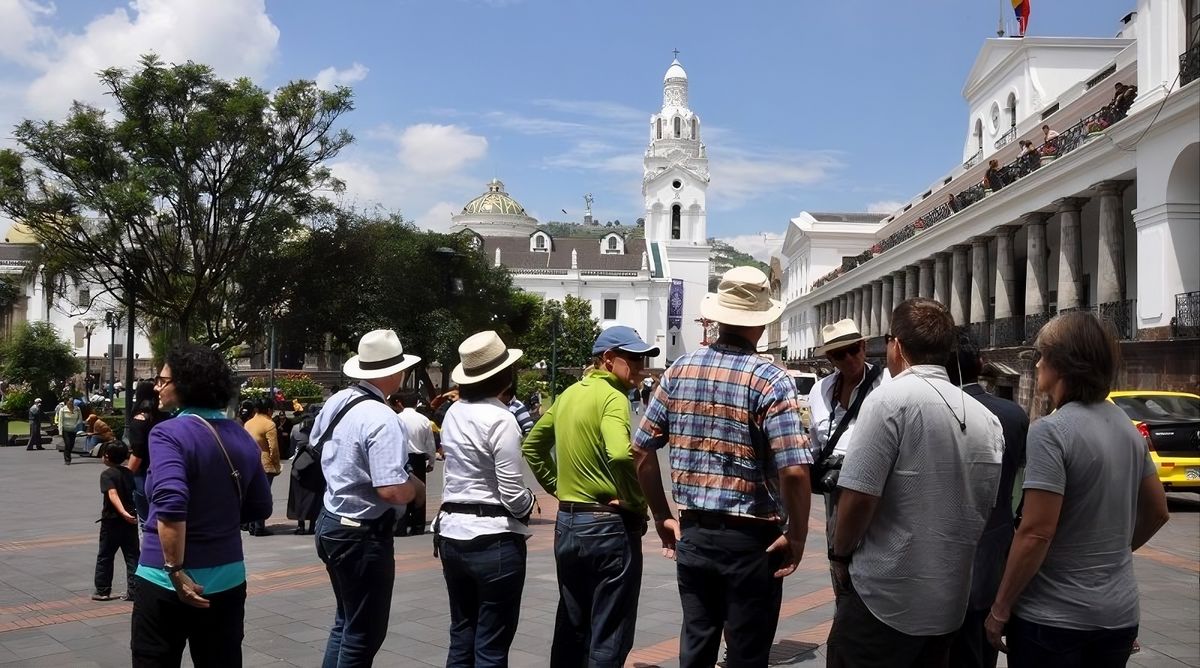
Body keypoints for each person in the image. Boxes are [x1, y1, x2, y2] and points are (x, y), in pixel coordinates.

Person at [634, 266, 812, 668]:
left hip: (695, 532)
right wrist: (798, 535)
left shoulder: (678, 370)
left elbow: (641, 450)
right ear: (761, 322)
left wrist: (661, 515)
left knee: (696, 646)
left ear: (717, 318)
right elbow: (794, 470)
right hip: (752, 540)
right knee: (747, 653)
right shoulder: (770, 379)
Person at [984, 312, 1170, 667]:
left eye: (1041, 355)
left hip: (1053, 618)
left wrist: (1000, 607)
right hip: (1118, 614)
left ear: (1063, 364)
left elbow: (1036, 532)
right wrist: (1112, 554)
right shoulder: (1126, 426)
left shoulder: (1051, 432)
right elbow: (1158, 511)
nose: (1037, 363)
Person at [825, 298, 1004, 667]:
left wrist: (839, 555)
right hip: (947, 605)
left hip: (884, 600)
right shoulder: (988, 421)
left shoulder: (888, 401)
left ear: (896, 345)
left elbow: (858, 498)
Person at [523, 325, 660, 667]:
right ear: (608, 359)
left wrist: (559, 488)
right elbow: (620, 454)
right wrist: (636, 502)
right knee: (609, 631)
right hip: (607, 527)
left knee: (572, 625)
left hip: (569, 523)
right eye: (634, 359)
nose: (641, 367)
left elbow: (533, 446)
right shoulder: (613, 397)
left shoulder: (569, 394)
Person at [131, 344, 273, 666]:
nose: (157, 387)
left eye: (162, 380)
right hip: (227, 576)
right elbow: (260, 506)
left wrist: (175, 569)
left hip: (165, 579)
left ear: (185, 383)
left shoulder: (168, 433)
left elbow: (170, 502)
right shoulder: (241, 436)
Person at [314, 329, 425, 668]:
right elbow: (391, 488)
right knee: (364, 633)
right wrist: (416, 489)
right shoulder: (382, 417)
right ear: (395, 372)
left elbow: (318, 444)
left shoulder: (339, 400)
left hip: (332, 519)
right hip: (361, 533)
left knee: (346, 621)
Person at [434, 330, 536, 667]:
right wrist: (529, 502)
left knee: (462, 635)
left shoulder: (453, 412)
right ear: (504, 376)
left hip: (452, 531)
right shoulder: (502, 419)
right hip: (493, 538)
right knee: (491, 646)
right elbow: (512, 493)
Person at [946, 331, 1030, 668]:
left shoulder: (937, 409)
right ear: (981, 364)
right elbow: (1020, 483)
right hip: (994, 552)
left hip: (941, 561)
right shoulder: (1014, 414)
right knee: (982, 652)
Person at [808, 319, 886, 573]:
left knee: (874, 559)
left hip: (876, 490)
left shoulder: (887, 384)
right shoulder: (820, 390)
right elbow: (815, 444)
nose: (850, 358)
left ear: (864, 347)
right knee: (838, 557)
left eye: (854, 350)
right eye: (840, 354)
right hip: (835, 491)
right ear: (830, 358)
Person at [92, 441, 139, 601]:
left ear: (106, 456)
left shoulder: (107, 474)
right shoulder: (129, 473)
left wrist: (122, 512)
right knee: (132, 556)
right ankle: (134, 591)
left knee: (105, 555)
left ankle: (102, 591)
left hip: (111, 520)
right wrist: (130, 513)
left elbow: (112, 494)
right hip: (130, 520)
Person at [391, 390, 437, 536]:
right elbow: (430, 443)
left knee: (401, 489)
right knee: (420, 491)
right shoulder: (423, 420)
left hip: (401, 458)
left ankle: (401, 525)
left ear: (400, 403)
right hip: (418, 458)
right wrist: (432, 461)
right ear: (417, 403)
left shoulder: (396, 418)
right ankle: (418, 526)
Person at [127, 381, 168, 524]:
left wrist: (125, 474)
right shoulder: (165, 416)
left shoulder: (139, 420)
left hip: (143, 472)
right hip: (164, 468)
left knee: (145, 519)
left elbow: (138, 453)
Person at [243, 398, 281, 537]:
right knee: (263, 495)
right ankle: (259, 527)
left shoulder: (248, 423)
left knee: (252, 494)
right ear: (269, 410)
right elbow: (273, 448)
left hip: (249, 462)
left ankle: (251, 524)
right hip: (265, 464)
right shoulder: (269, 424)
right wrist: (276, 463)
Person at [286, 406, 322, 536]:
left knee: (297, 495)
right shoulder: (319, 429)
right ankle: (312, 525)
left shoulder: (295, 429)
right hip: (315, 465)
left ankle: (300, 525)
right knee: (314, 496)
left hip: (299, 465)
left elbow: (291, 448)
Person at [55, 398, 83, 464]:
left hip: (73, 429)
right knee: (68, 443)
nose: (71, 403)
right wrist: (60, 431)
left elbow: (80, 418)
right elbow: (60, 421)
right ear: (67, 402)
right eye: (70, 401)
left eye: (72, 401)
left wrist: (78, 426)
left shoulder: (77, 409)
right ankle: (67, 458)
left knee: (72, 444)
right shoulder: (63, 410)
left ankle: (67, 453)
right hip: (65, 429)